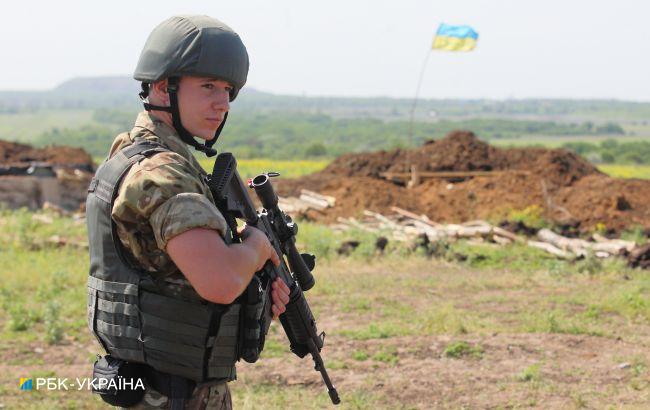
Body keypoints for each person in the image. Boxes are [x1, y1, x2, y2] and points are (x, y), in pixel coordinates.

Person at [86, 15, 290, 409]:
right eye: (208, 86)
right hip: (174, 392)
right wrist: (255, 246)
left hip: (165, 383)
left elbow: (175, 272)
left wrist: (256, 284)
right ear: (164, 87)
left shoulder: (135, 151)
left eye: (228, 89)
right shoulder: (163, 173)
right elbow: (219, 281)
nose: (222, 102)